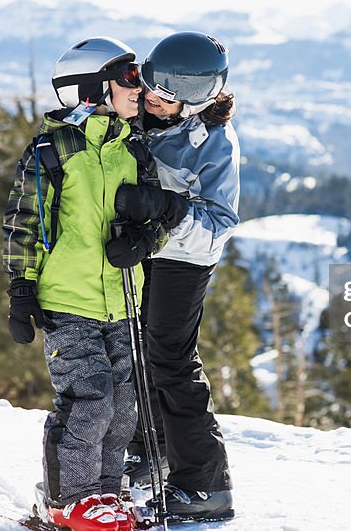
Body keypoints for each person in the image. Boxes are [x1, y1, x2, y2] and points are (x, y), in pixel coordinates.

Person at [2, 36, 188, 531]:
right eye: (129, 77)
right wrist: (21, 288)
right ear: (91, 87)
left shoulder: (134, 147)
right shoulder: (53, 147)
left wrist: (144, 237)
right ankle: (69, 500)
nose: (141, 86)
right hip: (68, 299)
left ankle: (107, 494)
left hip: (122, 301)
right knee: (90, 400)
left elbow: (162, 216)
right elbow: (24, 220)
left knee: (124, 405)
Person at [116, 31, 240, 522]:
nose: (155, 97)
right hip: (147, 248)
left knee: (169, 359)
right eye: (152, 83)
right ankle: (152, 447)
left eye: (171, 93)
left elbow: (217, 228)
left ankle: (205, 483)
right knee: (133, 351)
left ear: (199, 98)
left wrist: (166, 211)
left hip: (185, 259)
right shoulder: (137, 117)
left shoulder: (214, 143)